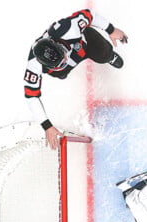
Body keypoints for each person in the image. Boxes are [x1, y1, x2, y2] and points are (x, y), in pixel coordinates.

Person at [24, 9, 128, 149]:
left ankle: (108, 56)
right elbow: (31, 96)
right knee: (61, 73)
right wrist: (47, 126)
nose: (65, 61)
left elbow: (89, 15)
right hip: (65, 62)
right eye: (60, 64)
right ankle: (62, 71)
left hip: (86, 43)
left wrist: (111, 30)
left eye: (63, 56)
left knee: (103, 53)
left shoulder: (68, 29)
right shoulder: (34, 66)